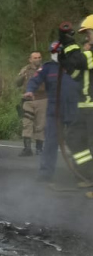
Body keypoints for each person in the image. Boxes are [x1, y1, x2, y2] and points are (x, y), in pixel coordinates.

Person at [23, 43, 80, 182]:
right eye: (53, 52)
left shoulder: (74, 65)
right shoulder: (47, 68)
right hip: (54, 109)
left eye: (58, 51)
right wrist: (30, 90)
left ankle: (82, 173)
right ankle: (46, 173)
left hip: (74, 108)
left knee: (78, 142)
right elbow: (35, 79)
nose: (55, 54)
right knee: (50, 142)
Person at [57, 17, 93, 191]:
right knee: (74, 139)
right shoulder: (87, 53)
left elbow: (80, 61)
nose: (86, 37)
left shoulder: (89, 54)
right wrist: (63, 55)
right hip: (85, 107)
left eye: (88, 33)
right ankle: (89, 175)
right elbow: (75, 71)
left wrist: (69, 44)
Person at [16, 51, 45, 156]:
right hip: (28, 100)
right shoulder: (25, 69)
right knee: (27, 124)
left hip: (42, 99)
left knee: (40, 125)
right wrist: (22, 76)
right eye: (35, 57)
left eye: (39, 57)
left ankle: (39, 148)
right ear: (30, 59)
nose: (37, 59)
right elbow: (17, 83)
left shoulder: (45, 69)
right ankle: (27, 148)